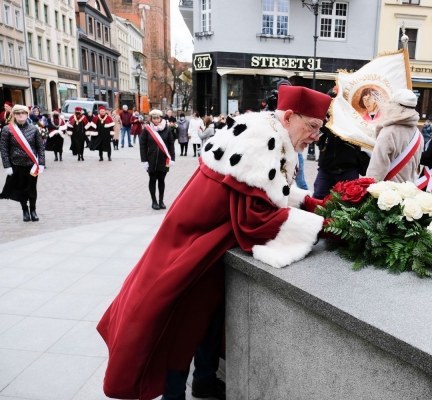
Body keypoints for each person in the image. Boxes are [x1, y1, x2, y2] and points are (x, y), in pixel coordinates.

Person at [97, 86, 331, 400]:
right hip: (189, 250)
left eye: (320, 128)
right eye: (313, 126)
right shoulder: (260, 144)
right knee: (177, 328)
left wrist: (317, 207)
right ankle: (174, 395)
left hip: (206, 248)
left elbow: (275, 196)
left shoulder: (269, 134)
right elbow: (255, 219)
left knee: (208, 319)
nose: (316, 135)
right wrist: (325, 227)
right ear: (288, 117)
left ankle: (205, 382)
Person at [313, 89, 366, 199]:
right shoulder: (324, 118)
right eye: (330, 102)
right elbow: (319, 141)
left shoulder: (354, 119)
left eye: (334, 102)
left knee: (349, 202)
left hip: (348, 169)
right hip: (326, 168)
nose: (331, 105)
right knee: (318, 198)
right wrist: (322, 127)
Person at [366, 89, 422, 183]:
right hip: (408, 192)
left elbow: (376, 172)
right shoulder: (418, 134)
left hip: (387, 193)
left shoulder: (388, 133)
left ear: (394, 106)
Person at [0, 104, 45, 222]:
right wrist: (7, 165)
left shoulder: (34, 129)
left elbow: (40, 148)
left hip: (31, 165)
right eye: (18, 113)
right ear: (14, 115)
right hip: (16, 164)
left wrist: (41, 163)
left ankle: (33, 210)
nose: (20, 115)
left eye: (23, 113)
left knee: (32, 189)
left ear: (27, 115)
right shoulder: (7, 129)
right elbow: (4, 149)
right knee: (21, 189)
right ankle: (25, 210)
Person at [139, 109, 176, 210]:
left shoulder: (167, 129)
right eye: (154, 118)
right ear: (151, 119)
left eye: (158, 118)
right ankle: (154, 201)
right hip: (151, 159)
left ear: (161, 119)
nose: (156, 120)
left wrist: (172, 158)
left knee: (161, 180)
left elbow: (171, 144)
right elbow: (142, 145)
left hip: (163, 160)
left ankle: (161, 201)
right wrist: (144, 160)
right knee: (152, 180)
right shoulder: (147, 130)